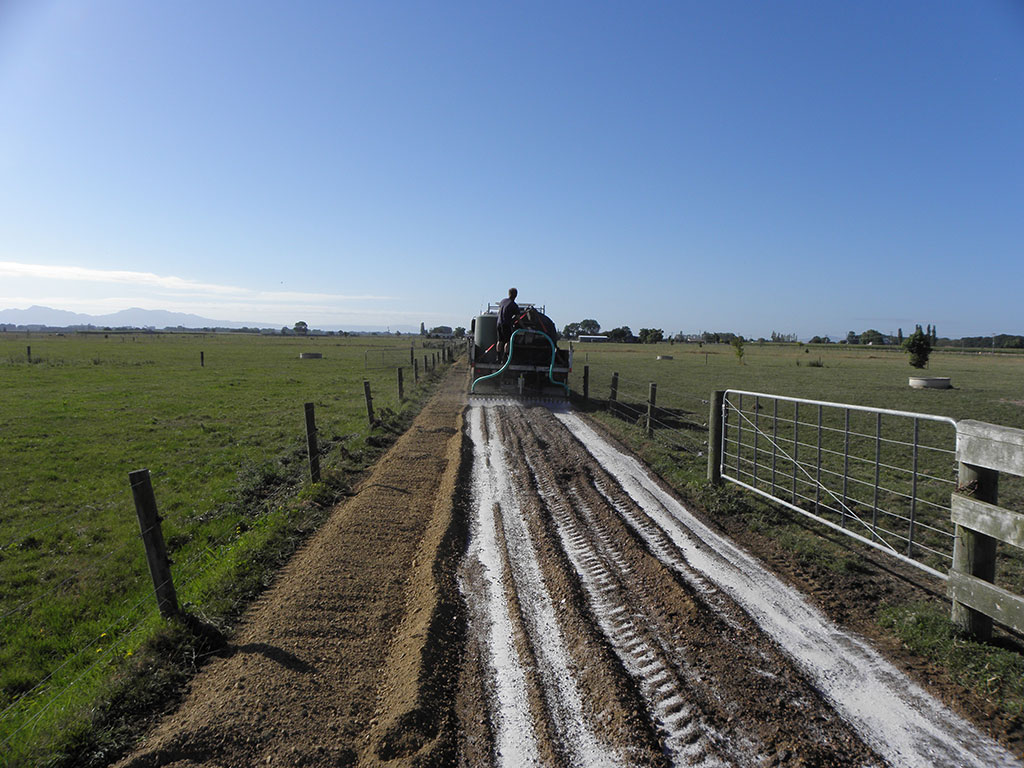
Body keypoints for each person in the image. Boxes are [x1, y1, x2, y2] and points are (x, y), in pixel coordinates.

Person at [496, 287, 519, 359]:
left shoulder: (502, 301)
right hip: (506, 324)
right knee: (508, 341)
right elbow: (518, 318)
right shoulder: (514, 305)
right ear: (516, 295)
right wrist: (523, 326)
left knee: (500, 340)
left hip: (498, 323)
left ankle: (498, 357)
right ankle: (505, 358)